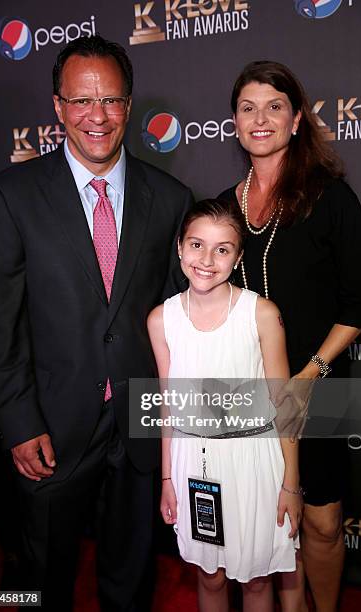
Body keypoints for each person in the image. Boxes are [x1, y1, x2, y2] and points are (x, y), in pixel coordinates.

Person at [0, 35, 193, 612]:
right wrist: (19, 422)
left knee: (131, 577)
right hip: (48, 427)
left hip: (139, 426)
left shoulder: (170, 199)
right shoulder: (11, 196)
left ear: (129, 105)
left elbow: (181, 320)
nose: (96, 116)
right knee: (41, 573)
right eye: (80, 101)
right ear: (57, 106)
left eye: (112, 100)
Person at [218, 60, 361, 612]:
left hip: (320, 382)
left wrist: (311, 373)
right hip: (250, 393)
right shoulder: (224, 210)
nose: (259, 118)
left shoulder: (329, 198)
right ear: (234, 123)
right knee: (269, 514)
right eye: (247, 108)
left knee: (323, 519)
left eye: (274, 106)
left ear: (295, 121)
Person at [148, 199, 302, 612]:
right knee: (208, 576)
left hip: (253, 462)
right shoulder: (161, 320)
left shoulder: (261, 313)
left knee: (254, 581)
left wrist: (291, 484)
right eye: (197, 245)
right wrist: (167, 479)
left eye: (222, 249)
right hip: (192, 466)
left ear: (237, 257)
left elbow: (284, 402)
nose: (206, 260)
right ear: (179, 247)